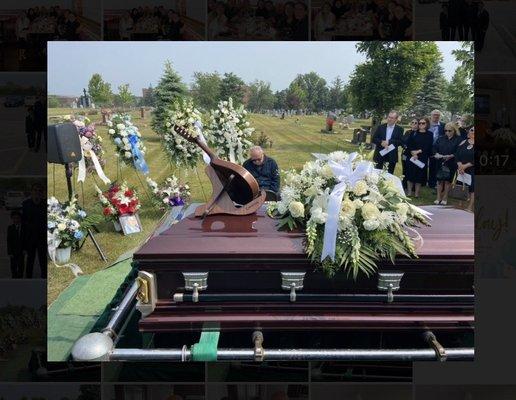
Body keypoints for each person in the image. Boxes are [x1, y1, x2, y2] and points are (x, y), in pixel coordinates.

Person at [433, 122, 461, 205]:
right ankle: (438, 197)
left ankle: (445, 198)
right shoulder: (441, 138)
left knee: (448, 181)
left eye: (450, 131)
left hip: (451, 162)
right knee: (439, 180)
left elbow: (459, 151)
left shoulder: (459, 139)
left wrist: (451, 155)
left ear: (454, 130)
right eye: (446, 131)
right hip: (440, 162)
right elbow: (434, 147)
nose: (447, 132)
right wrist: (436, 154)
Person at [22, 183, 46, 279]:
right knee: (30, 261)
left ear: (42, 192)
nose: (37, 192)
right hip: (30, 238)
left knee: (43, 261)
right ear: (31, 192)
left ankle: (44, 279)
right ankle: (28, 280)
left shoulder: (45, 204)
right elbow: (24, 223)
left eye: (39, 190)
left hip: (42, 238)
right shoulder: (26, 204)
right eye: (35, 190)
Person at [406, 117, 433, 198]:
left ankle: (417, 193)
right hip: (412, 157)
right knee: (410, 174)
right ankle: (409, 192)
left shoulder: (430, 134)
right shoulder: (414, 133)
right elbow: (409, 144)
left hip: (422, 157)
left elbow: (428, 146)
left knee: (419, 176)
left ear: (427, 124)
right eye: (420, 123)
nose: (421, 124)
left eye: (423, 123)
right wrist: (413, 153)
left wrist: (417, 152)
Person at [455, 126, 475, 211]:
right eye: (472, 130)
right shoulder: (463, 142)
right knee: (461, 186)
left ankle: (470, 207)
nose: (473, 132)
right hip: (461, 169)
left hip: (472, 169)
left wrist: (465, 166)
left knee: (472, 188)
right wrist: (460, 165)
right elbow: (457, 154)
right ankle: (460, 204)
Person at [427, 109, 446, 189]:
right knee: (424, 165)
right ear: (431, 116)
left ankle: (433, 182)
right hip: (427, 147)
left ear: (440, 117)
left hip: (438, 149)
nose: (436, 116)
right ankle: (424, 181)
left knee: (435, 166)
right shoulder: (427, 125)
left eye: (438, 115)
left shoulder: (443, 125)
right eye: (434, 114)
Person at [7, 211, 25, 279]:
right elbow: (9, 241)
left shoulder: (23, 228)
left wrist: (25, 249)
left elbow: (25, 239)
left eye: (17, 218)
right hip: (13, 251)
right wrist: (10, 252)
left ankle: (20, 280)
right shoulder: (10, 228)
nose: (16, 220)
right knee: (13, 267)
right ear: (12, 219)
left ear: (20, 219)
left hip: (21, 251)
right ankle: (14, 280)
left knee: (21, 267)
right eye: (14, 218)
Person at [401, 118, 418, 189]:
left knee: (413, 170)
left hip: (414, 154)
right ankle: (404, 184)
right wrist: (404, 145)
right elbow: (403, 141)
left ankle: (413, 186)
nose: (414, 124)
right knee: (405, 169)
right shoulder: (407, 132)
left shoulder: (420, 133)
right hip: (405, 154)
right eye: (412, 122)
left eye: (415, 123)